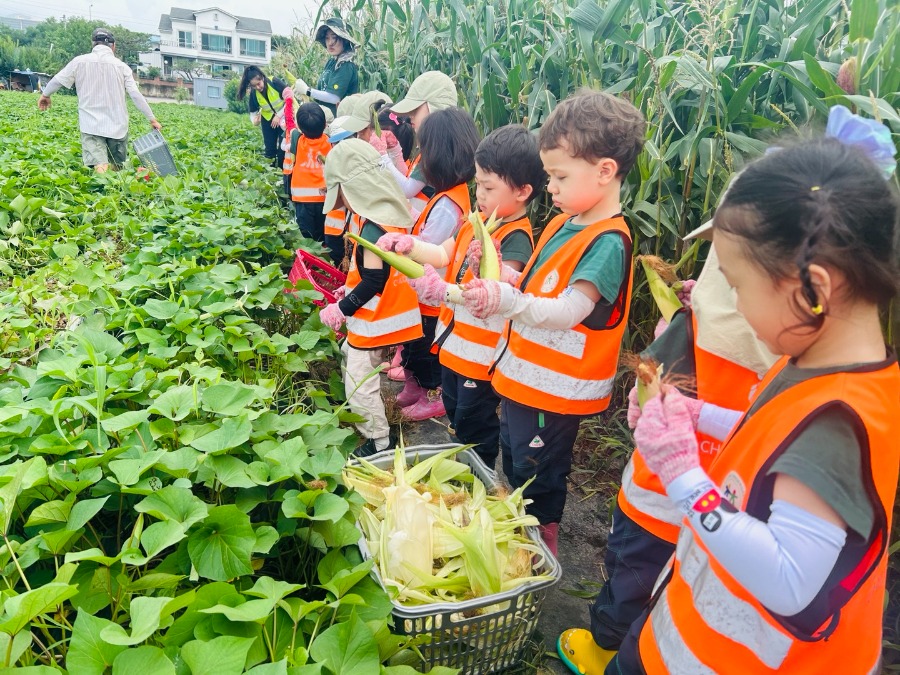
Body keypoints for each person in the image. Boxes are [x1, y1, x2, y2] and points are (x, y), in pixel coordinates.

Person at [609, 111, 899, 675]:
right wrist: (697, 414)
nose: (733, 306)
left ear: (813, 289)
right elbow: (769, 439)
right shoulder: (815, 367)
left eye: (738, 286)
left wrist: (683, 477)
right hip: (685, 640)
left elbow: (790, 581)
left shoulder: (840, 424)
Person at [557, 238, 778, 671]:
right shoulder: (787, 358)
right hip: (725, 514)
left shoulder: (723, 337)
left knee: (631, 580)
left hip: (662, 502)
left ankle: (606, 650)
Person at [459, 91, 646, 555]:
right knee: (516, 459)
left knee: (537, 471)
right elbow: (538, 283)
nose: (552, 187)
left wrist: (507, 299)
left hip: (556, 393)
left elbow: (566, 311)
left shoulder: (607, 241)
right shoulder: (568, 222)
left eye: (560, 176)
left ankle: (539, 546)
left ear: (605, 171)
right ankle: (517, 529)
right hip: (524, 381)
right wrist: (500, 274)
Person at [377, 125, 546, 466]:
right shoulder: (475, 223)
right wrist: (412, 247)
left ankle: (477, 477)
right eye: (477, 184)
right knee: (455, 414)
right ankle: (461, 471)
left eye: (488, 187)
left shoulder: (515, 240)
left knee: (474, 427)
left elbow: (492, 291)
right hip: (453, 347)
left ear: (523, 191)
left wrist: (442, 292)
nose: (479, 194)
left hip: (480, 359)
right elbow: (441, 254)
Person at [318, 139, 422, 456]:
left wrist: (342, 308)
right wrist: (346, 290)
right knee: (357, 365)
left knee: (359, 386)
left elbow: (375, 280)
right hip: (386, 314)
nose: (344, 204)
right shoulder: (389, 214)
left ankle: (378, 441)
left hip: (374, 320)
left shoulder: (373, 229)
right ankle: (377, 434)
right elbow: (369, 275)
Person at [390, 107, 479, 421]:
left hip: (431, 299)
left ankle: (432, 393)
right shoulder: (444, 195)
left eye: (425, 150)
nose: (421, 157)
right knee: (414, 348)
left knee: (426, 349)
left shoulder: (447, 203)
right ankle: (415, 386)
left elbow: (430, 247)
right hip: (422, 295)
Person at [37, 28, 161, 173]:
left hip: (91, 124)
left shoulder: (79, 62)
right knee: (117, 167)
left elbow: (57, 80)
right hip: (118, 125)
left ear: (93, 44)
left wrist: (45, 95)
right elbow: (135, 94)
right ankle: (117, 192)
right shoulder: (122, 67)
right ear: (113, 46)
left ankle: (103, 190)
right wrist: (152, 119)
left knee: (100, 165)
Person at [382, 71, 459, 217]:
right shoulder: (430, 147)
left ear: (433, 109)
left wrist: (382, 158)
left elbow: (407, 190)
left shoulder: (437, 151)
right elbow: (410, 180)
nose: (410, 115)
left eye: (416, 109)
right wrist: (395, 151)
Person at [290, 17, 359, 116]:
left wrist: (308, 90)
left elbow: (334, 98)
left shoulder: (346, 66)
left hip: (339, 122)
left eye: (334, 37)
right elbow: (324, 91)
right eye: (327, 38)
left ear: (344, 40)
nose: (330, 43)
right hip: (325, 118)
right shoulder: (331, 62)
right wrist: (305, 94)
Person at [289, 103, 331, 241]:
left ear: (300, 128)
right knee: (322, 236)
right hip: (325, 198)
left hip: (303, 200)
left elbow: (293, 129)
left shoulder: (297, 139)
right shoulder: (330, 142)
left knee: (306, 237)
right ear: (325, 125)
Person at [238, 66, 289, 167]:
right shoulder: (254, 93)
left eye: (258, 84)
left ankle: (283, 171)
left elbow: (290, 99)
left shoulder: (274, 82)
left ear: (262, 78)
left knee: (283, 148)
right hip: (267, 120)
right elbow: (253, 112)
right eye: (254, 86)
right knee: (269, 148)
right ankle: (270, 171)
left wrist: (279, 115)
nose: (258, 87)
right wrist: (255, 122)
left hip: (284, 117)